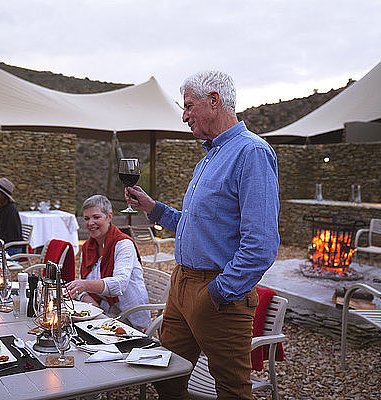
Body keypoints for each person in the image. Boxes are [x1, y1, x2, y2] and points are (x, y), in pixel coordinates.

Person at [125, 71, 280, 399]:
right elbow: (194, 226)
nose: (184, 116)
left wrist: (218, 293)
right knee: (166, 377)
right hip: (180, 284)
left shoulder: (251, 153)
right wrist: (153, 208)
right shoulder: (209, 156)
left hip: (216, 291)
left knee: (231, 390)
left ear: (214, 100)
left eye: (189, 106)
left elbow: (262, 243)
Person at [66, 195, 150, 330]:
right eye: (86, 218)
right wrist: (90, 302)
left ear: (109, 217)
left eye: (96, 217)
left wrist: (84, 286)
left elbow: (119, 284)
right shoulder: (88, 246)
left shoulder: (123, 244)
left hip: (130, 317)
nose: (90, 223)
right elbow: (83, 284)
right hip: (103, 313)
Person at [0, 177, 23, 256]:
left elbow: (10, 236)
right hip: (2, 246)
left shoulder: (10, 210)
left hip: (11, 249)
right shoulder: (2, 208)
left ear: (3, 195)